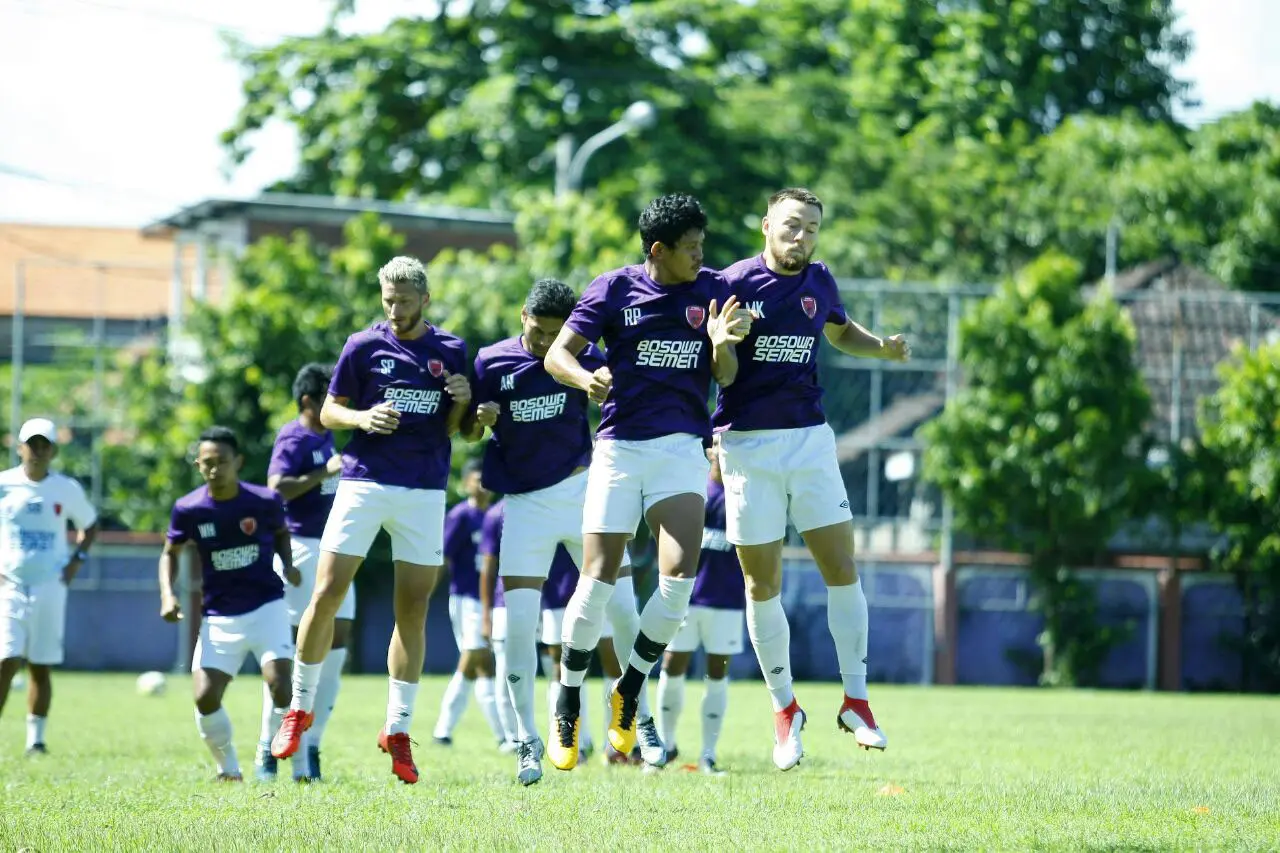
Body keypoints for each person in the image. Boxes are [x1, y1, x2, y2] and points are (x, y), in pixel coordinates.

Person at [542, 194, 751, 772]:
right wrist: (587, 378)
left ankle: (629, 689)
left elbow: (727, 378)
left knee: (678, 577)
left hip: (683, 450)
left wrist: (720, 346)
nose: (700, 256)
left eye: (702, 246)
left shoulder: (712, 291)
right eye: (690, 248)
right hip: (617, 451)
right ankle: (567, 698)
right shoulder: (613, 289)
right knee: (600, 576)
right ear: (658, 250)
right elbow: (558, 355)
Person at [715, 187, 910, 770]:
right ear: (766, 225)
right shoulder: (731, 284)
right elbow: (722, 376)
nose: (802, 237)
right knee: (760, 585)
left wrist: (881, 348)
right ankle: (785, 710)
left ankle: (857, 700)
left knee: (841, 569)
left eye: (812, 229)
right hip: (747, 446)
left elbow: (838, 328)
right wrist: (724, 342)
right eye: (792, 226)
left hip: (811, 441)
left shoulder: (819, 279)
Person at [271, 256, 472, 785]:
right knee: (326, 593)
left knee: (413, 608)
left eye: (404, 300)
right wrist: (361, 416)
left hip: (424, 489)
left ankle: (398, 731)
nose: (395, 308)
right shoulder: (363, 345)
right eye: (388, 299)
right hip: (364, 481)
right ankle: (299, 708)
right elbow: (332, 412)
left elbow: (456, 428)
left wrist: (462, 403)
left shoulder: (451, 349)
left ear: (424, 299)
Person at [466, 277, 658, 784]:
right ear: (522, 315)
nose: (549, 342)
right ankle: (527, 742)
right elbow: (466, 427)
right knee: (517, 630)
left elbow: (617, 412)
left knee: (620, 607)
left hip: (582, 494)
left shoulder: (588, 353)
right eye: (540, 331)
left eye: (559, 333)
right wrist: (477, 418)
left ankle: (642, 716)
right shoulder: (491, 361)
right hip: (524, 506)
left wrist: (601, 390)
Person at [158, 426, 301, 782]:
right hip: (219, 617)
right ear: (197, 465)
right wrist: (168, 594)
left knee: (281, 684)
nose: (214, 469)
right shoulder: (188, 509)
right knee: (205, 697)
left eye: (222, 461)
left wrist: (288, 563)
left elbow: (282, 532)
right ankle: (229, 770)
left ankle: (268, 748)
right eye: (207, 463)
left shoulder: (264, 501)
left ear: (237, 461)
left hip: (267, 607)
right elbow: (169, 553)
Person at [261, 362, 349, 782]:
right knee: (294, 648)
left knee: (339, 637)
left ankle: (312, 746)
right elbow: (276, 487)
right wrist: (322, 473)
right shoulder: (293, 435)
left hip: (336, 548)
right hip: (301, 546)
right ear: (307, 401)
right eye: (328, 395)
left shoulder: (328, 434)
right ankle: (267, 745)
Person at [0, 418, 98, 756]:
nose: (38, 451)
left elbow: (90, 524)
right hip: (9, 583)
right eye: (32, 444)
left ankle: (35, 740)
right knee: (6, 658)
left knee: (40, 664)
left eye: (45, 445)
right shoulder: (4, 485)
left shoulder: (65, 488)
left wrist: (75, 562)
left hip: (50, 585)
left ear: (53, 450)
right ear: (19, 446)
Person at [655, 438, 743, 775]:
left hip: (727, 602)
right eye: (717, 444)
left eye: (726, 444)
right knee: (672, 666)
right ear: (707, 451)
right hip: (685, 598)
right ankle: (665, 746)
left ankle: (708, 754)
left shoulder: (742, 496)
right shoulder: (691, 492)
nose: (721, 451)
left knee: (717, 673)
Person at [431, 460, 504, 747]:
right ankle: (503, 736)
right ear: (465, 484)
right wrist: (426, 596)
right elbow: (444, 557)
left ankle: (445, 731)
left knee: (479, 667)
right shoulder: (460, 516)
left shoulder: (497, 516)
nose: (482, 485)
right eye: (476, 479)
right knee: (476, 660)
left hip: (490, 600)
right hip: (467, 599)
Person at [476, 499, 519, 753]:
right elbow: (487, 569)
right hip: (505, 604)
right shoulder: (495, 514)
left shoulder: (546, 503)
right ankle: (513, 737)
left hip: (545, 601)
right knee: (505, 671)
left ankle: (568, 736)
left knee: (553, 667)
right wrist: (486, 614)